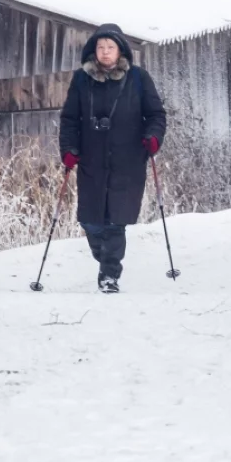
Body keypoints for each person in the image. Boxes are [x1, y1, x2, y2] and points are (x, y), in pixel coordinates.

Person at [59, 23, 168, 294]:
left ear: (120, 50)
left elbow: (156, 115)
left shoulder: (139, 78)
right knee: (91, 220)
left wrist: (153, 137)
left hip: (128, 159)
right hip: (91, 160)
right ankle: (105, 258)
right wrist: (69, 149)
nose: (105, 52)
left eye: (110, 47)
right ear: (93, 50)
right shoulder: (81, 79)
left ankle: (109, 274)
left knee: (115, 220)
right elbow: (69, 119)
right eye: (100, 47)